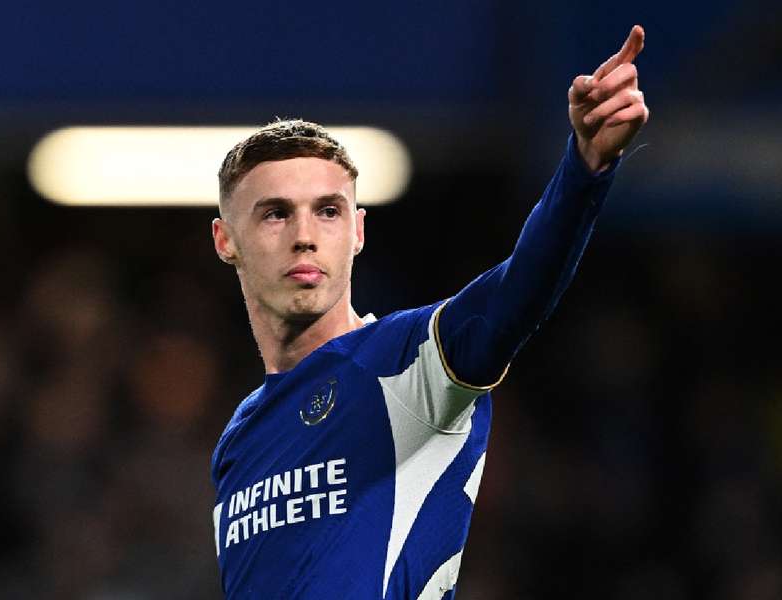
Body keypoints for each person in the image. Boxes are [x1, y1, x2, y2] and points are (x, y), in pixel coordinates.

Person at [209, 25, 649, 599]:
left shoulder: (406, 366)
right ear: (225, 240)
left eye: (328, 211)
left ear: (358, 230)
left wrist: (584, 171)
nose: (305, 236)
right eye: (274, 213)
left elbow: (516, 292)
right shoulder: (238, 441)